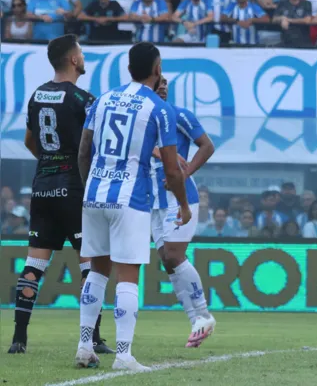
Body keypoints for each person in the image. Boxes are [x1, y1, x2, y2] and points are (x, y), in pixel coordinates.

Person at [74, 42, 189, 372]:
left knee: (97, 271)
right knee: (127, 276)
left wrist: (90, 188)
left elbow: (84, 151)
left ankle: (84, 346)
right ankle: (123, 355)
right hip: (131, 198)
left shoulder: (103, 99)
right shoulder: (158, 107)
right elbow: (170, 169)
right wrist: (183, 204)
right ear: (157, 70)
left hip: (95, 192)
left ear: (128, 68)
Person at [8, 36, 108, 355]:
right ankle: (92, 339)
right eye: (80, 52)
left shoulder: (37, 95)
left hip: (43, 186)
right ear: (73, 60)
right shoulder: (83, 99)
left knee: (34, 264)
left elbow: (28, 141)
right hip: (75, 188)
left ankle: (18, 340)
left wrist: (50, 162)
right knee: (89, 266)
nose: (83, 56)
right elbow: (95, 147)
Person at [150, 77, 216, 347]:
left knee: (175, 255)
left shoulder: (178, 115)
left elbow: (207, 146)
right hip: (151, 200)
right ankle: (195, 322)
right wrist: (157, 153)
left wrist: (185, 171)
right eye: (158, 81)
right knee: (167, 259)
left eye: (165, 82)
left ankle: (204, 315)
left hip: (179, 196)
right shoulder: (141, 119)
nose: (163, 85)